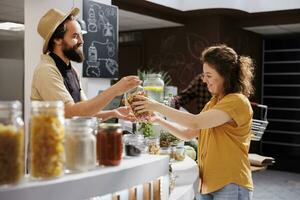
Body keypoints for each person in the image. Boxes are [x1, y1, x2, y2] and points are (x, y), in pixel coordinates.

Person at [133, 44, 255, 200]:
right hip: (208, 183)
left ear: (226, 75)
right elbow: (188, 133)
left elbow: (195, 123)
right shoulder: (214, 102)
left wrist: (156, 105)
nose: (204, 80)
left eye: (209, 75)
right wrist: (157, 119)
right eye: (204, 75)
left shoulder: (237, 101)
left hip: (230, 183)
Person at [31, 8, 140, 121]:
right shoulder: (46, 71)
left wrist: (113, 112)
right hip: (51, 138)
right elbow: (70, 111)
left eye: (80, 35)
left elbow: (84, 110)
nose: (81, 41)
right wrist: (115, 90)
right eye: (74, 36)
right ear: (57, 40)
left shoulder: (72, 71)